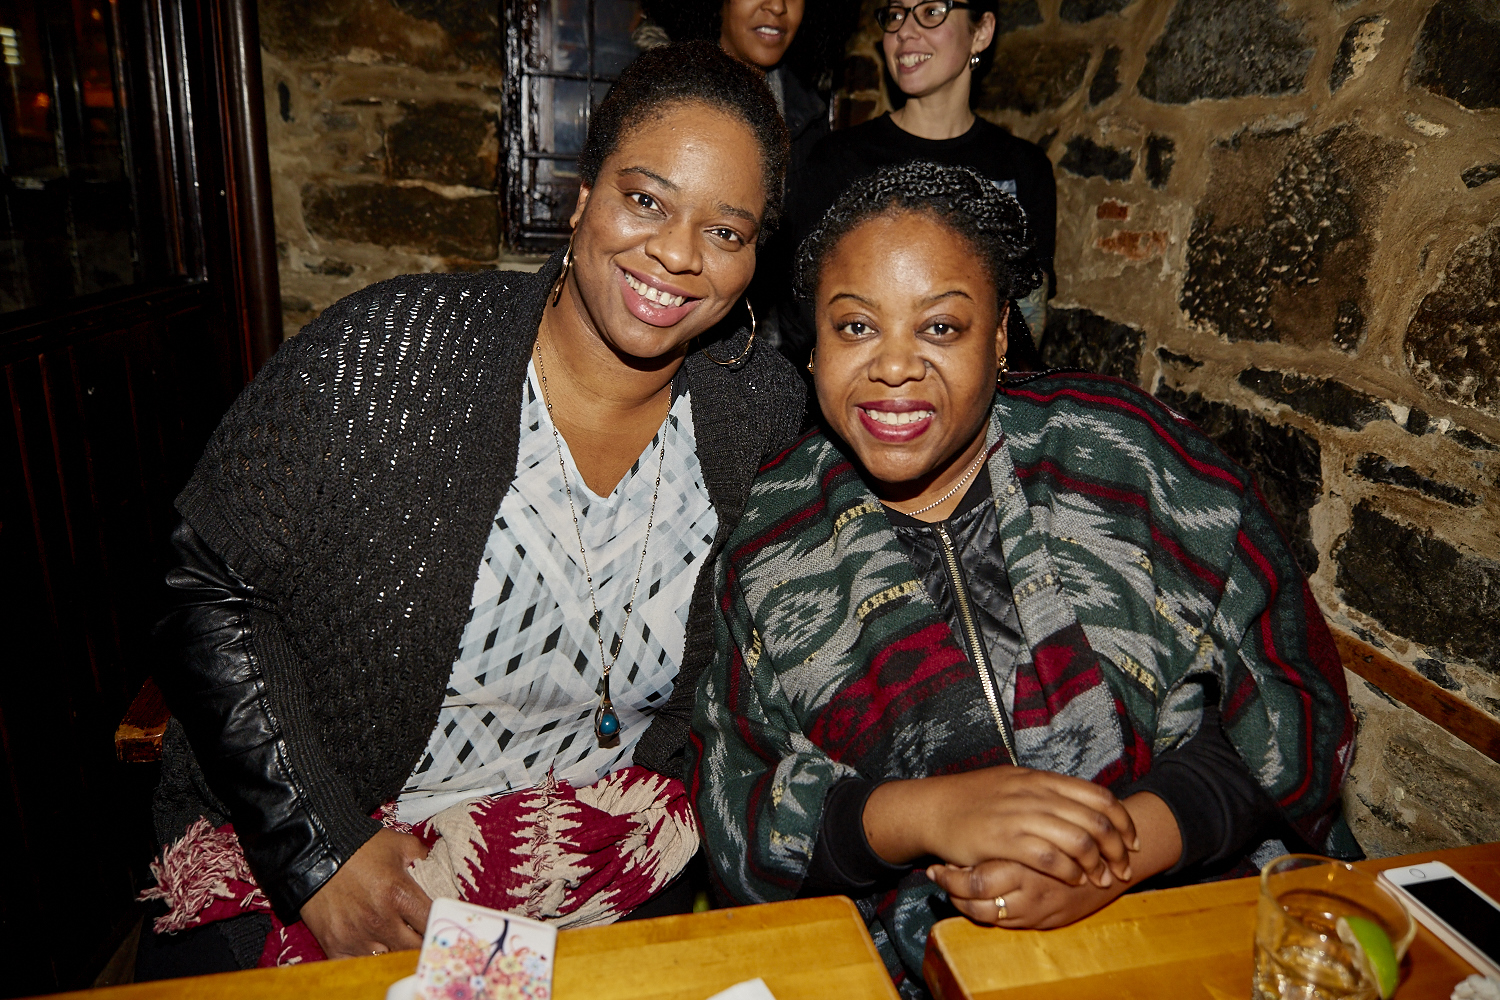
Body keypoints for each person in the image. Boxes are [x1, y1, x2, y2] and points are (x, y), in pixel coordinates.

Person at [141, 41, 803, 976]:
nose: (677, 254)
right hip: (330, 837)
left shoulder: (760, 412)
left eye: (726, 232)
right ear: (582, 196)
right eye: (645, 200)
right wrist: (317, 849)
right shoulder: (395, 353)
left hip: (594, 864)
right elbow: (204, 577)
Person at [689, 163, 1357, 998]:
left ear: (1001, 334)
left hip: (1192, 930)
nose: (894, 368)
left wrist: (1113, 851)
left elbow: (1295, 716)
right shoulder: (773, 537)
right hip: (912, 964)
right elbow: (738, 822)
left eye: (941, 328)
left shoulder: (1133, 460)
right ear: (814, 345)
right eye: (856, 327)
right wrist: (925, 815)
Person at [781, 0, 1056, 371]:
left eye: (930, 12)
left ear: (981, 32)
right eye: (895, 15)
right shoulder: (837, 159)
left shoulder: (1024, 166)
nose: (905, 31)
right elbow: (809, 314)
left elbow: (1028, 312)